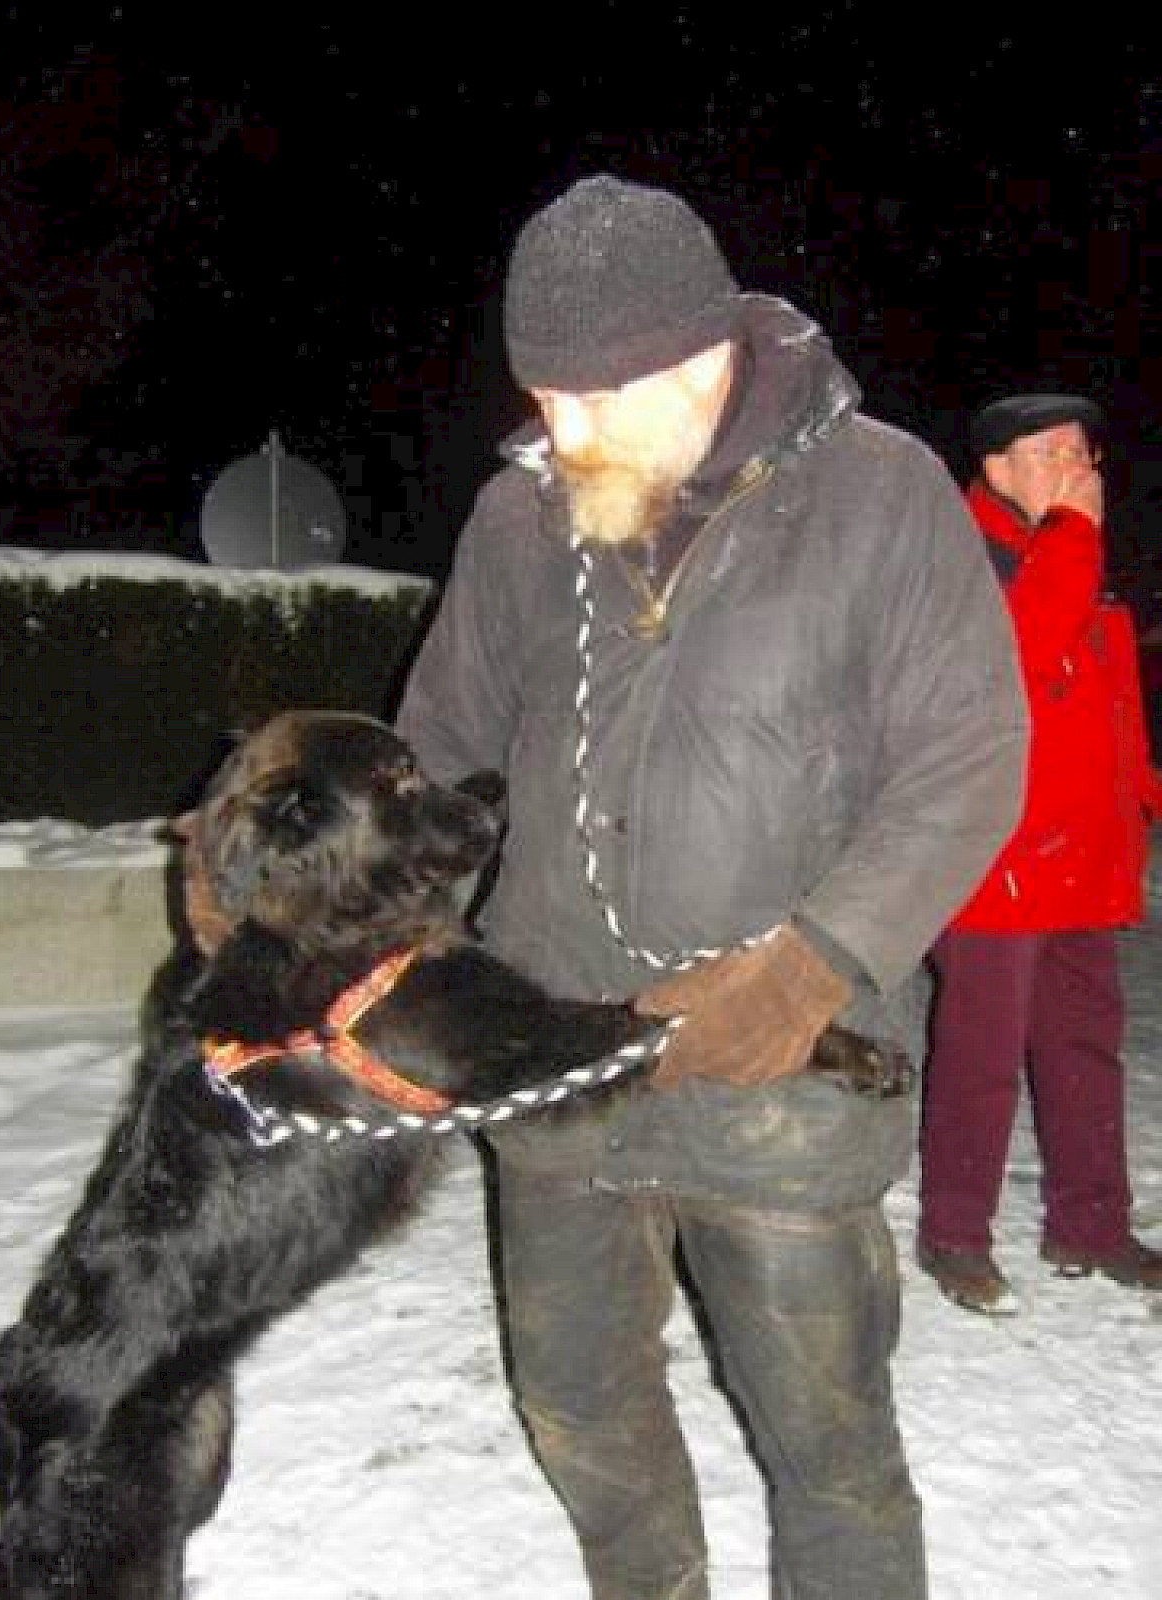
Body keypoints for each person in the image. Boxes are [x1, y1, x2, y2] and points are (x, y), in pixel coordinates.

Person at [391, 175, 1028, 1600]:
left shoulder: (880, 494)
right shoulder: (520, 519)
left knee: (831, 1452)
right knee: (578, 1407)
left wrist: (811, 966)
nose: (560, 435)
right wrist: (367, 931)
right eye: (541, 398)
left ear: (699, 362)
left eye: (590, 401)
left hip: (786, 1076)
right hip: (560, 1060)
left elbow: (971, 754)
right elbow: (444, 757)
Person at [918, 394, 1162, 1316]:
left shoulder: (1066, 549)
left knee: (1084, 1045)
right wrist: (1071, 534)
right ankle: (954, 1234)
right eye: (1049, 451)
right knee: (980, 1052)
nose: (1075, 467)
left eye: (1082, 452)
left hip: (1078, 851)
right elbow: (1019, 661)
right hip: (996, 853)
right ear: (996, 470)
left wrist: (1138, 797)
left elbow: (1102, 700)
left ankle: (1090, 1225)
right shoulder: (964, 554)